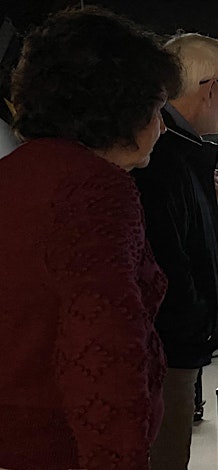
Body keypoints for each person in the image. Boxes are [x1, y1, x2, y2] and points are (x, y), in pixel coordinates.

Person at [0, 7, 179, 469]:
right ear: (121, 105)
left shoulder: (16, 174)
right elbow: (103, 343)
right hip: (60, 445)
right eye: (158, 109)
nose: (161, 127)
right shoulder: (94, 189)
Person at [132, 32, 218, 469]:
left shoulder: (179, 153)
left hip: (177, 347)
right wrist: (197, 321)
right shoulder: (160, 156)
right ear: (211, 89)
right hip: (169, 350)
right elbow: (164, 258)